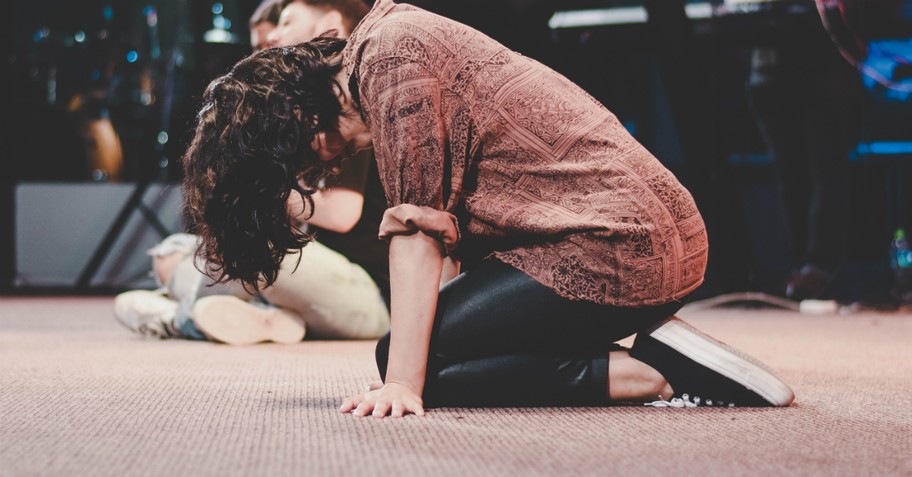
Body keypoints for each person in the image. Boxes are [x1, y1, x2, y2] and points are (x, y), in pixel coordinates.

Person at [181, 0, 796, 416]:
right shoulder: (386, 47)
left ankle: (650, 374)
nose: (313, 173)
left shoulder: (389, 61)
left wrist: (402, 384)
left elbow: (418, 235)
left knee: (403, 361)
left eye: (294, 163)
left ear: (297, 119)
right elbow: (448, 245)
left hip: (618, 243)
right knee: (419, 347)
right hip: (632, 234)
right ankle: (655, 355)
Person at [114, 0, 389, 345]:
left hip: (365, 293)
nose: (275, 34)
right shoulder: (302, 110)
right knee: (172, 251)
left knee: (244, 250)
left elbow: (342, 214)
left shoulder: (346, 105)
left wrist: (260, 187)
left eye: (287, 21)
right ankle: (271, 319)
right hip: (308, 281)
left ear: (331, 24)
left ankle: (178, 317)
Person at [743, 0, 864, 300]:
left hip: (821, 58)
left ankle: (817, 268)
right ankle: (799, 265)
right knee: (790, 172)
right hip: (771, 60)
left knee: (825, 169)